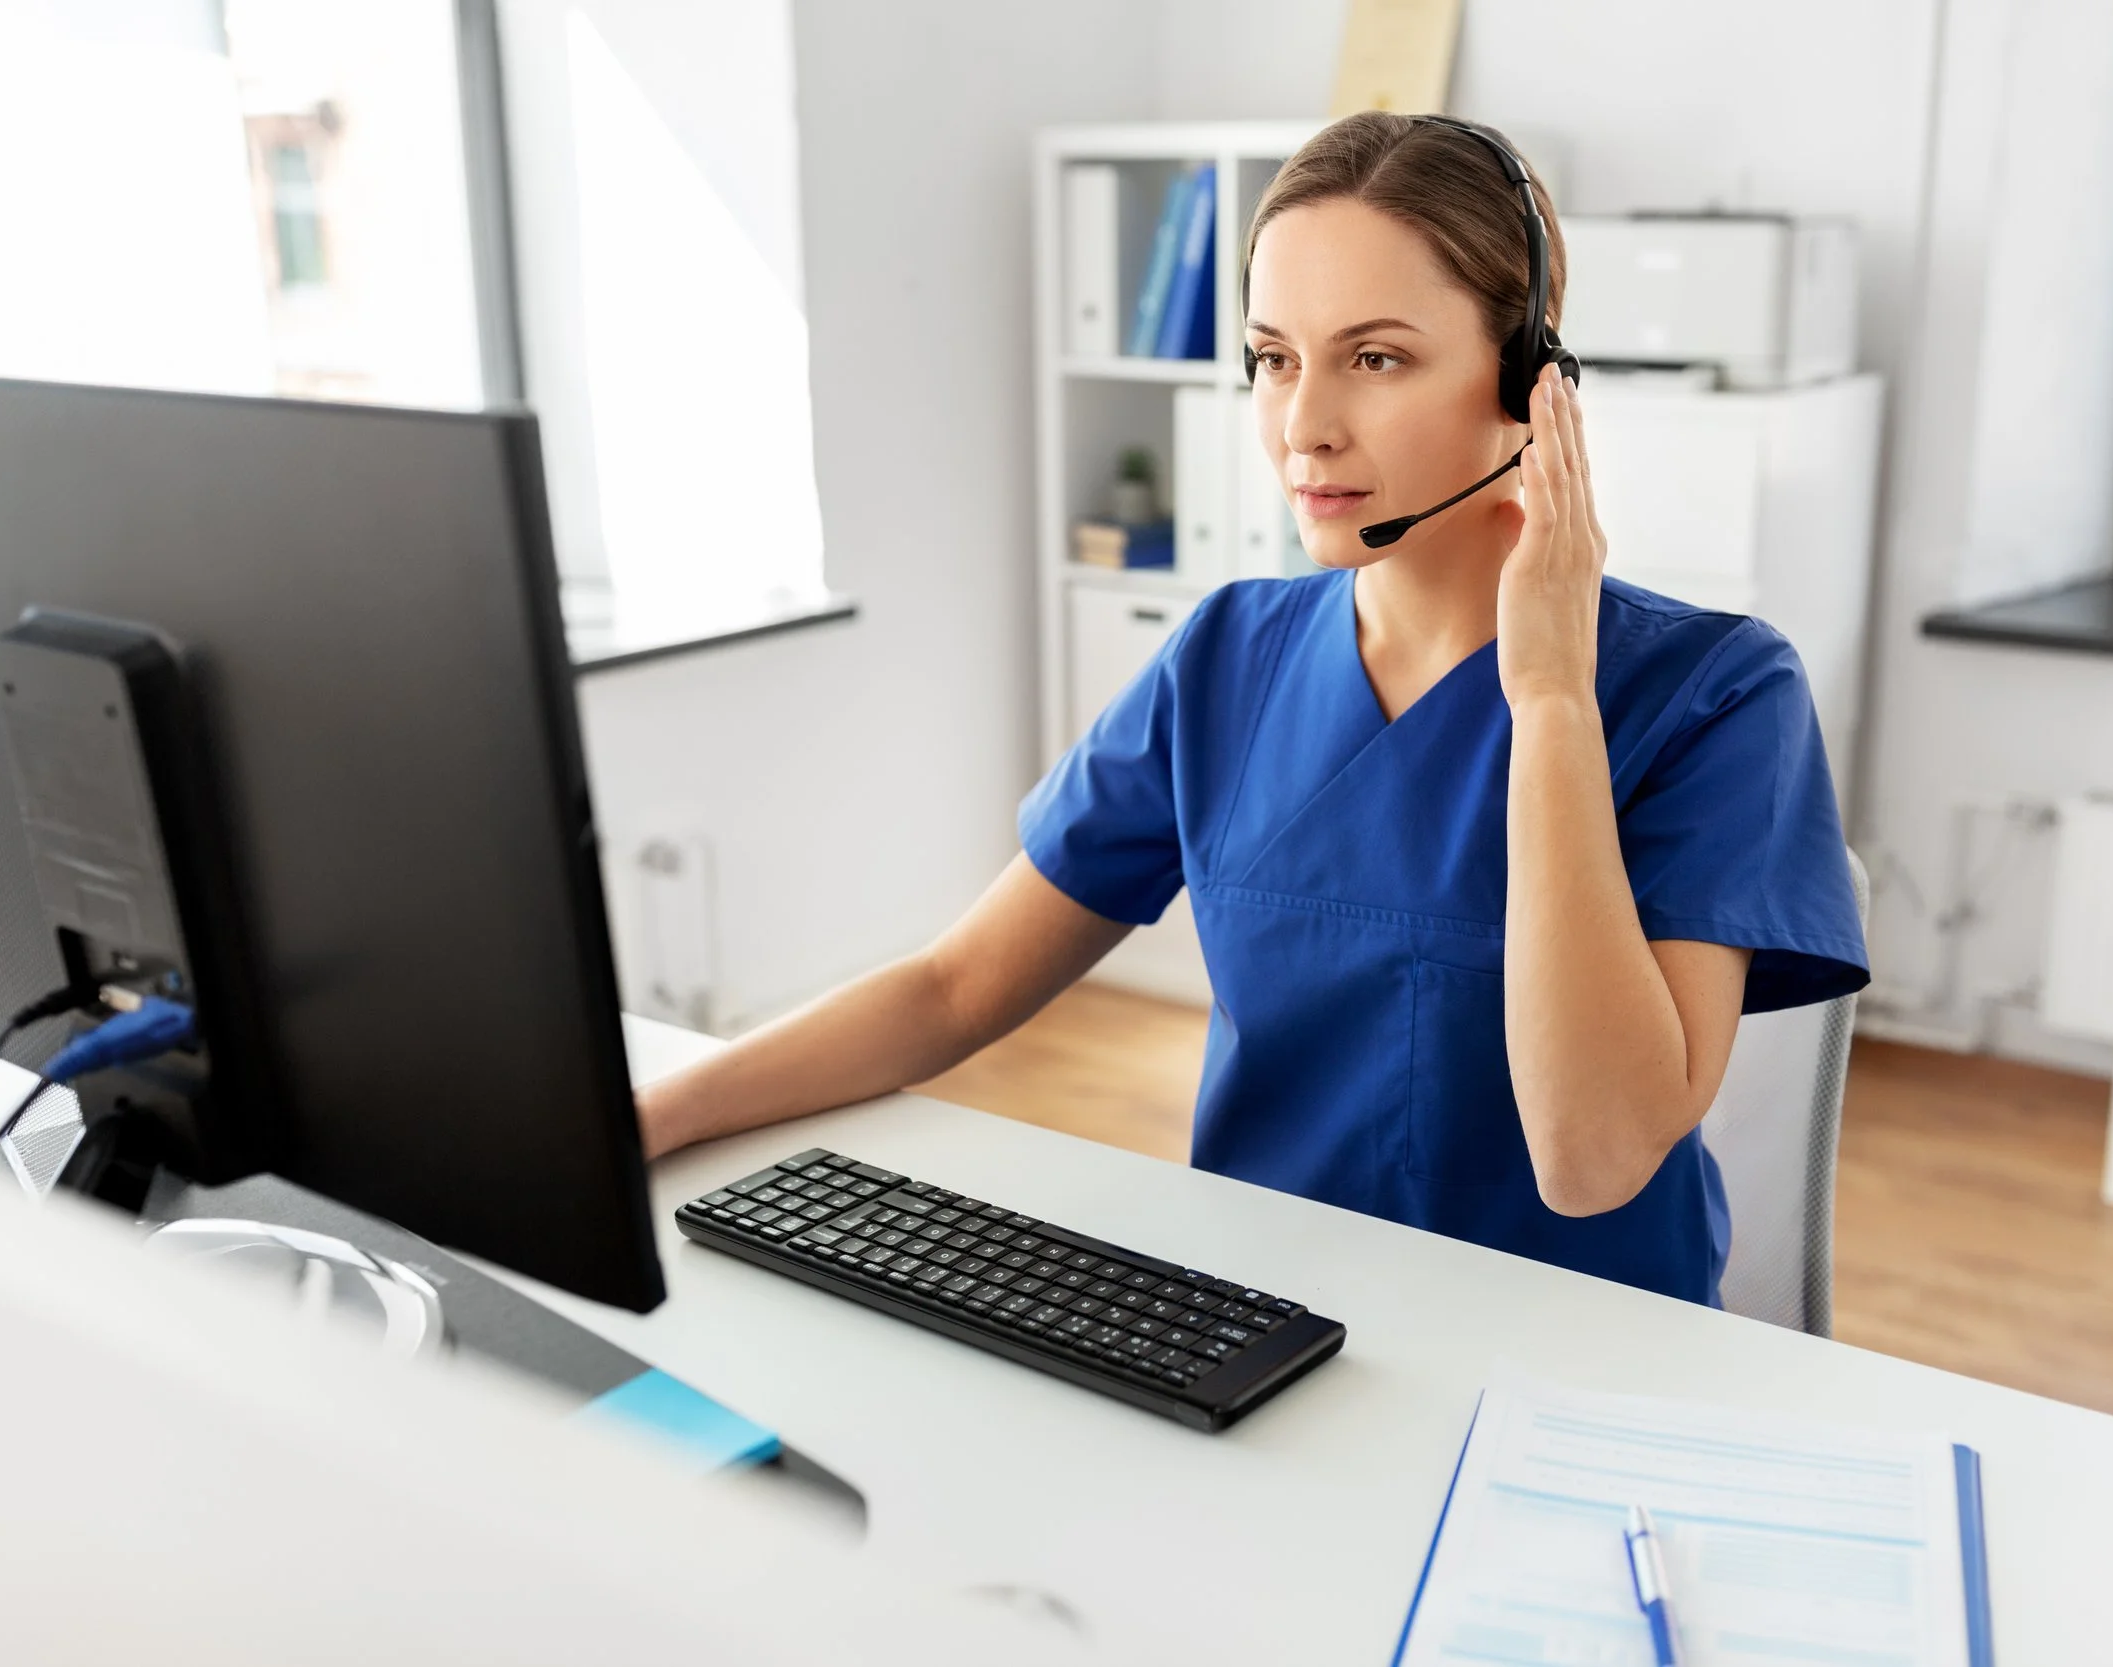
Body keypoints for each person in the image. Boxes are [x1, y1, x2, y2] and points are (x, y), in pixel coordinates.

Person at [637, 111, 1867, 1307]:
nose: (1303, 427)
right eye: (1274, 359)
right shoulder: (1230, 656)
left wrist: (1548, 699)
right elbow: (956, 988)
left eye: (1374, 358)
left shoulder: (1714, 693)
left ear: (1527, 378)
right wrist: (653, 1116)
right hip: (1264, 1336)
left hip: (1580, 1364)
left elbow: (1593, 1158)